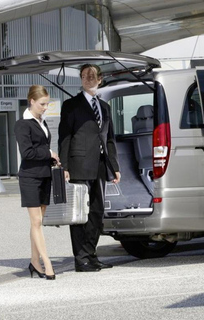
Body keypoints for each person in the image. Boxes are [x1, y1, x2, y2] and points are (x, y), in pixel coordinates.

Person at [58, 64, 121, 272]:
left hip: (100, 166)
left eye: (92, 76)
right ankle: (81, 259)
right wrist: (64, 166)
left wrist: (114, 166)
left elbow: (109, 139)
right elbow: (65, 137)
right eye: (85, 76)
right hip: (78, 164)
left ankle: (91, 254)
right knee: (79, 214)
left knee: (96, 212)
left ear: (100, 79)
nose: (88, 79)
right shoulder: (71, 105)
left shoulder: (105, 107)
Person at [15, 85, 59, 280]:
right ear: (31, 101)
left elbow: (41, 149)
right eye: (42, 104)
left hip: (45, 175)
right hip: (30, 177)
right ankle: (46, 262)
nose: (45, 108)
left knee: (38, 223)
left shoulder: (42, 122)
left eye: (47, 104)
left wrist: (55, 160)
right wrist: (49, 153)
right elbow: (27, 153)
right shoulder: (22, 124)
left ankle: (34, 261)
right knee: (36, 222)